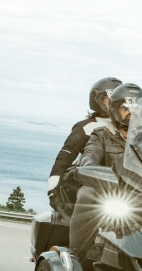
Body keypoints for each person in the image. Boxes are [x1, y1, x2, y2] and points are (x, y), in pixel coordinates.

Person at [69, 82, 142, 269]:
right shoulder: (101, 136)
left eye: (137, 107)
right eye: (125, 107)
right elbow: (88, 161)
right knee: (87, 194)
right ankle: (76, 257)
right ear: (114, 110)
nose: (132, 112)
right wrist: (96, 174)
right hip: (112, 195)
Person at [47, 76, 120, 216]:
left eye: (117, 100)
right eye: (109, 99)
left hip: (123, 188)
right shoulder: (87, 127)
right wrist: (52, 190)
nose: (113, 104)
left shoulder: (132, 129)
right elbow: (64, 157)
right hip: (94, 186)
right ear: (98, 101)